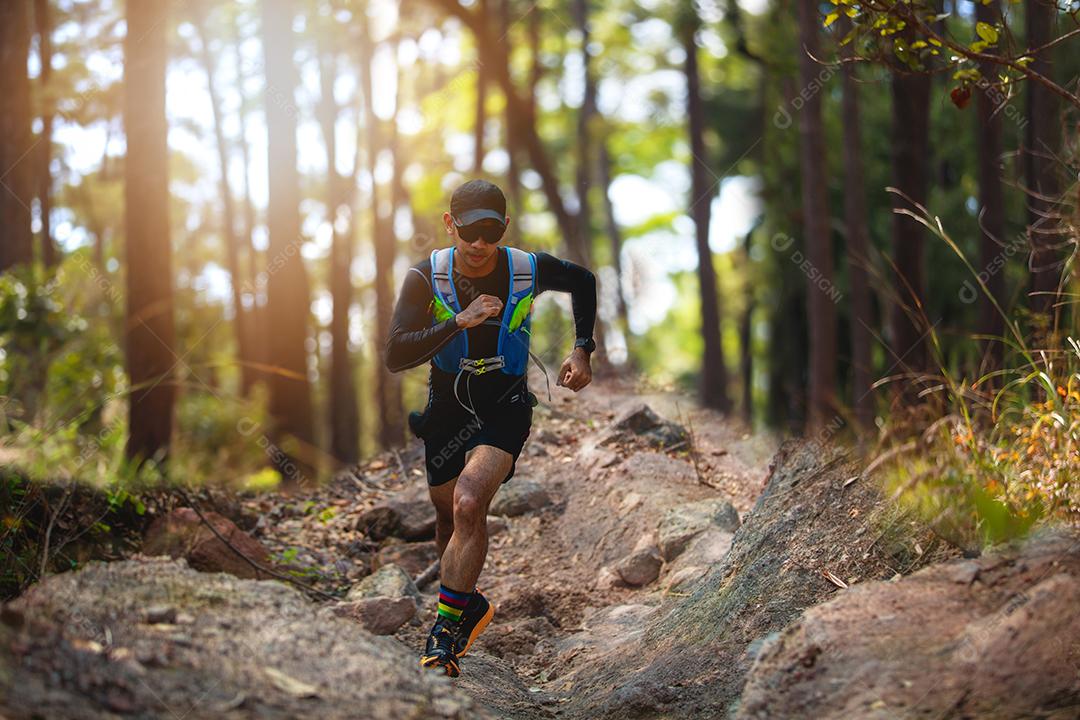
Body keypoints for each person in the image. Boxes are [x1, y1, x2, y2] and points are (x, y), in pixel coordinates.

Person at [385, 179, 597, 677]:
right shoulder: (424, 276)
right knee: (446, 519)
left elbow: (583, 280)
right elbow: (395, 354)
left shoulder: (526, 267)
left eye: (490, 231)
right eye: (469, 232)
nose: (479, 244)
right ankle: (467, 604)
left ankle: (443, 637)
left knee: (468, 500)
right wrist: (459, 320)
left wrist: (582, 346)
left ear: (504, 227)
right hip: (446, 405)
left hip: (504, 402)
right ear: (449, 224)